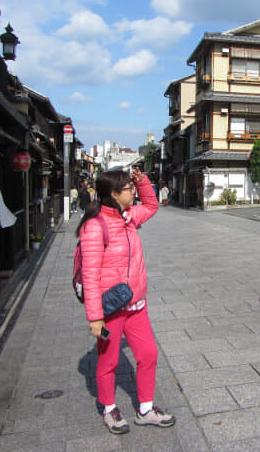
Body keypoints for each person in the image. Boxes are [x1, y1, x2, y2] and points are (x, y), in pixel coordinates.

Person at [76, 168, 175, 434]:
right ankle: (109, 409)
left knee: (148, 354)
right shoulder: (95, 226)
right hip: (111, 310)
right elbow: (90, 274)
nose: (133, 192)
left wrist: (142, 181)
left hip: (136, 305)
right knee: (108, 362)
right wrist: (95, 316)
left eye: (133, 188)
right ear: (113, 194)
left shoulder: (129, 217)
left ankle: (145, 409)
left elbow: (152, 205)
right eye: (128, 188)